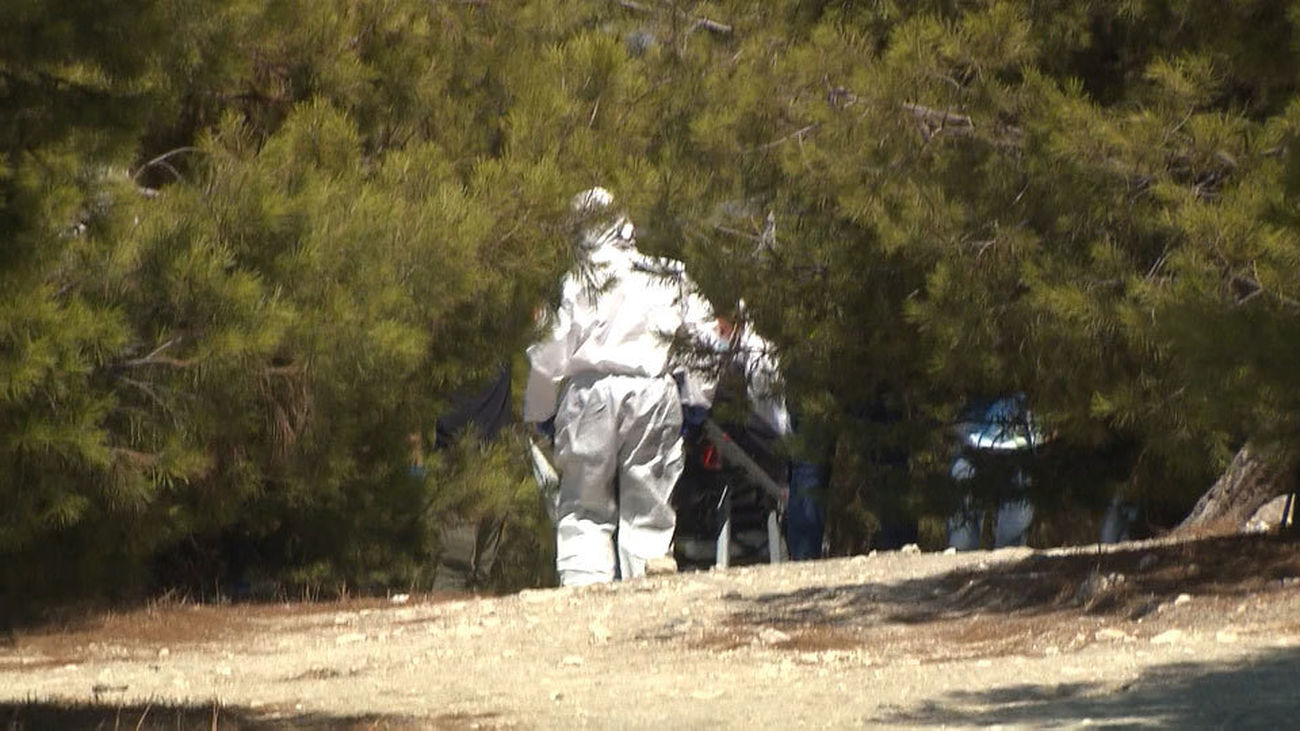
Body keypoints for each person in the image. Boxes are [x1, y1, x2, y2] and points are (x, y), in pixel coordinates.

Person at [524, 187, 714, 586]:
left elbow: (549, 352)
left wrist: (541, 413)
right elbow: (704, 341)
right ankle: (647, 590)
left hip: (589, 395)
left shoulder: (577, 280)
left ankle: (582, 592)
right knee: (649, 505)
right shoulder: (668, 273)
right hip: (654, 392)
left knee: (583, 505)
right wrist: (697, 402)